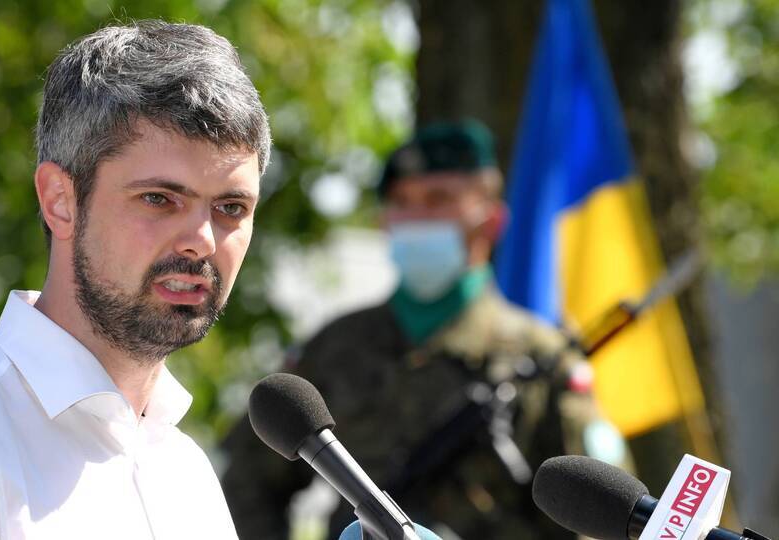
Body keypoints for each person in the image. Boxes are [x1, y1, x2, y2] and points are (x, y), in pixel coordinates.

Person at [0, 20, 270, 539]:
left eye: (230, 208)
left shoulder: (184, 470)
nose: (202, 240)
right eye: (159, 199)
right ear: (60, 201)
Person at [221, 121, 627, 540]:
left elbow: (598, 515)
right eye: (401, 202)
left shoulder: (542, 356)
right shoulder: (337, 345)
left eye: (439, 200)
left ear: (491, 221)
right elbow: (247, 485)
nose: (415, 218)